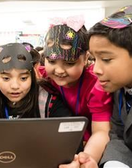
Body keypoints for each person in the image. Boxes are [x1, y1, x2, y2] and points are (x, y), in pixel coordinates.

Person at [78, 6, 132, 168]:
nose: (95, 70)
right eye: (94, 59)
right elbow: (118, 134)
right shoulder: (118, 88)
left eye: (106, 59)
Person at [40, 19, 113, 164]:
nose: (59, 70)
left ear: (86, 58)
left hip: (89, 145)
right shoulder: (43, 77)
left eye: (69, 63)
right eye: (52, 61)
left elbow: (101, 131)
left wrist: (85, 159)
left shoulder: (97, 86)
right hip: (56, 143)